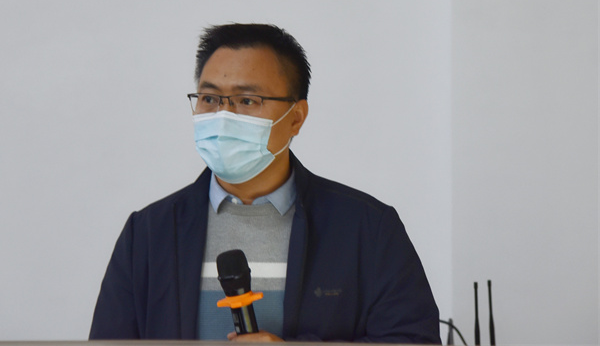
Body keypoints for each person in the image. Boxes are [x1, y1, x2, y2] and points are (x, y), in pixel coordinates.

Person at [89, 23, 440, 343]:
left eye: (247, 100)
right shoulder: (148, 235)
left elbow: (414, 340)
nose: (223, 116)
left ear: (296, 117)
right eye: (209, 99)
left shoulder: (367, 229)